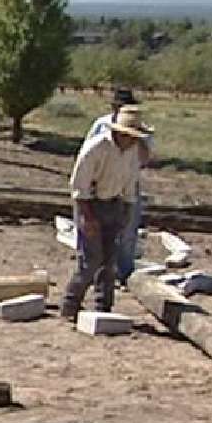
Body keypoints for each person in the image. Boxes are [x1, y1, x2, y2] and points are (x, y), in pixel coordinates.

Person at [60, 106, 153, 323]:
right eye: (130, 136)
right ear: (119, 132)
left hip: (115, 204)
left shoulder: (133, 152)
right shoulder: (96, 147)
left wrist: (128, 212)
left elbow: (131, 183)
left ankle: (104, 307)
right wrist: (87, 217)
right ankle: (70, 305)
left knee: (110, 260)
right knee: (91, 260)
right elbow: (78, 186)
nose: (133, 141)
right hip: (90, 203)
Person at [85, 88, 155, 285]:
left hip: (126, 183)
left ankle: (124, 272)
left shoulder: (142, 129)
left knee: (128, 229)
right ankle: (95, 271)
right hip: (99, 184)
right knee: (95, 230)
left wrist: (137, 138)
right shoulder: (101, 125)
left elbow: (145, 158)